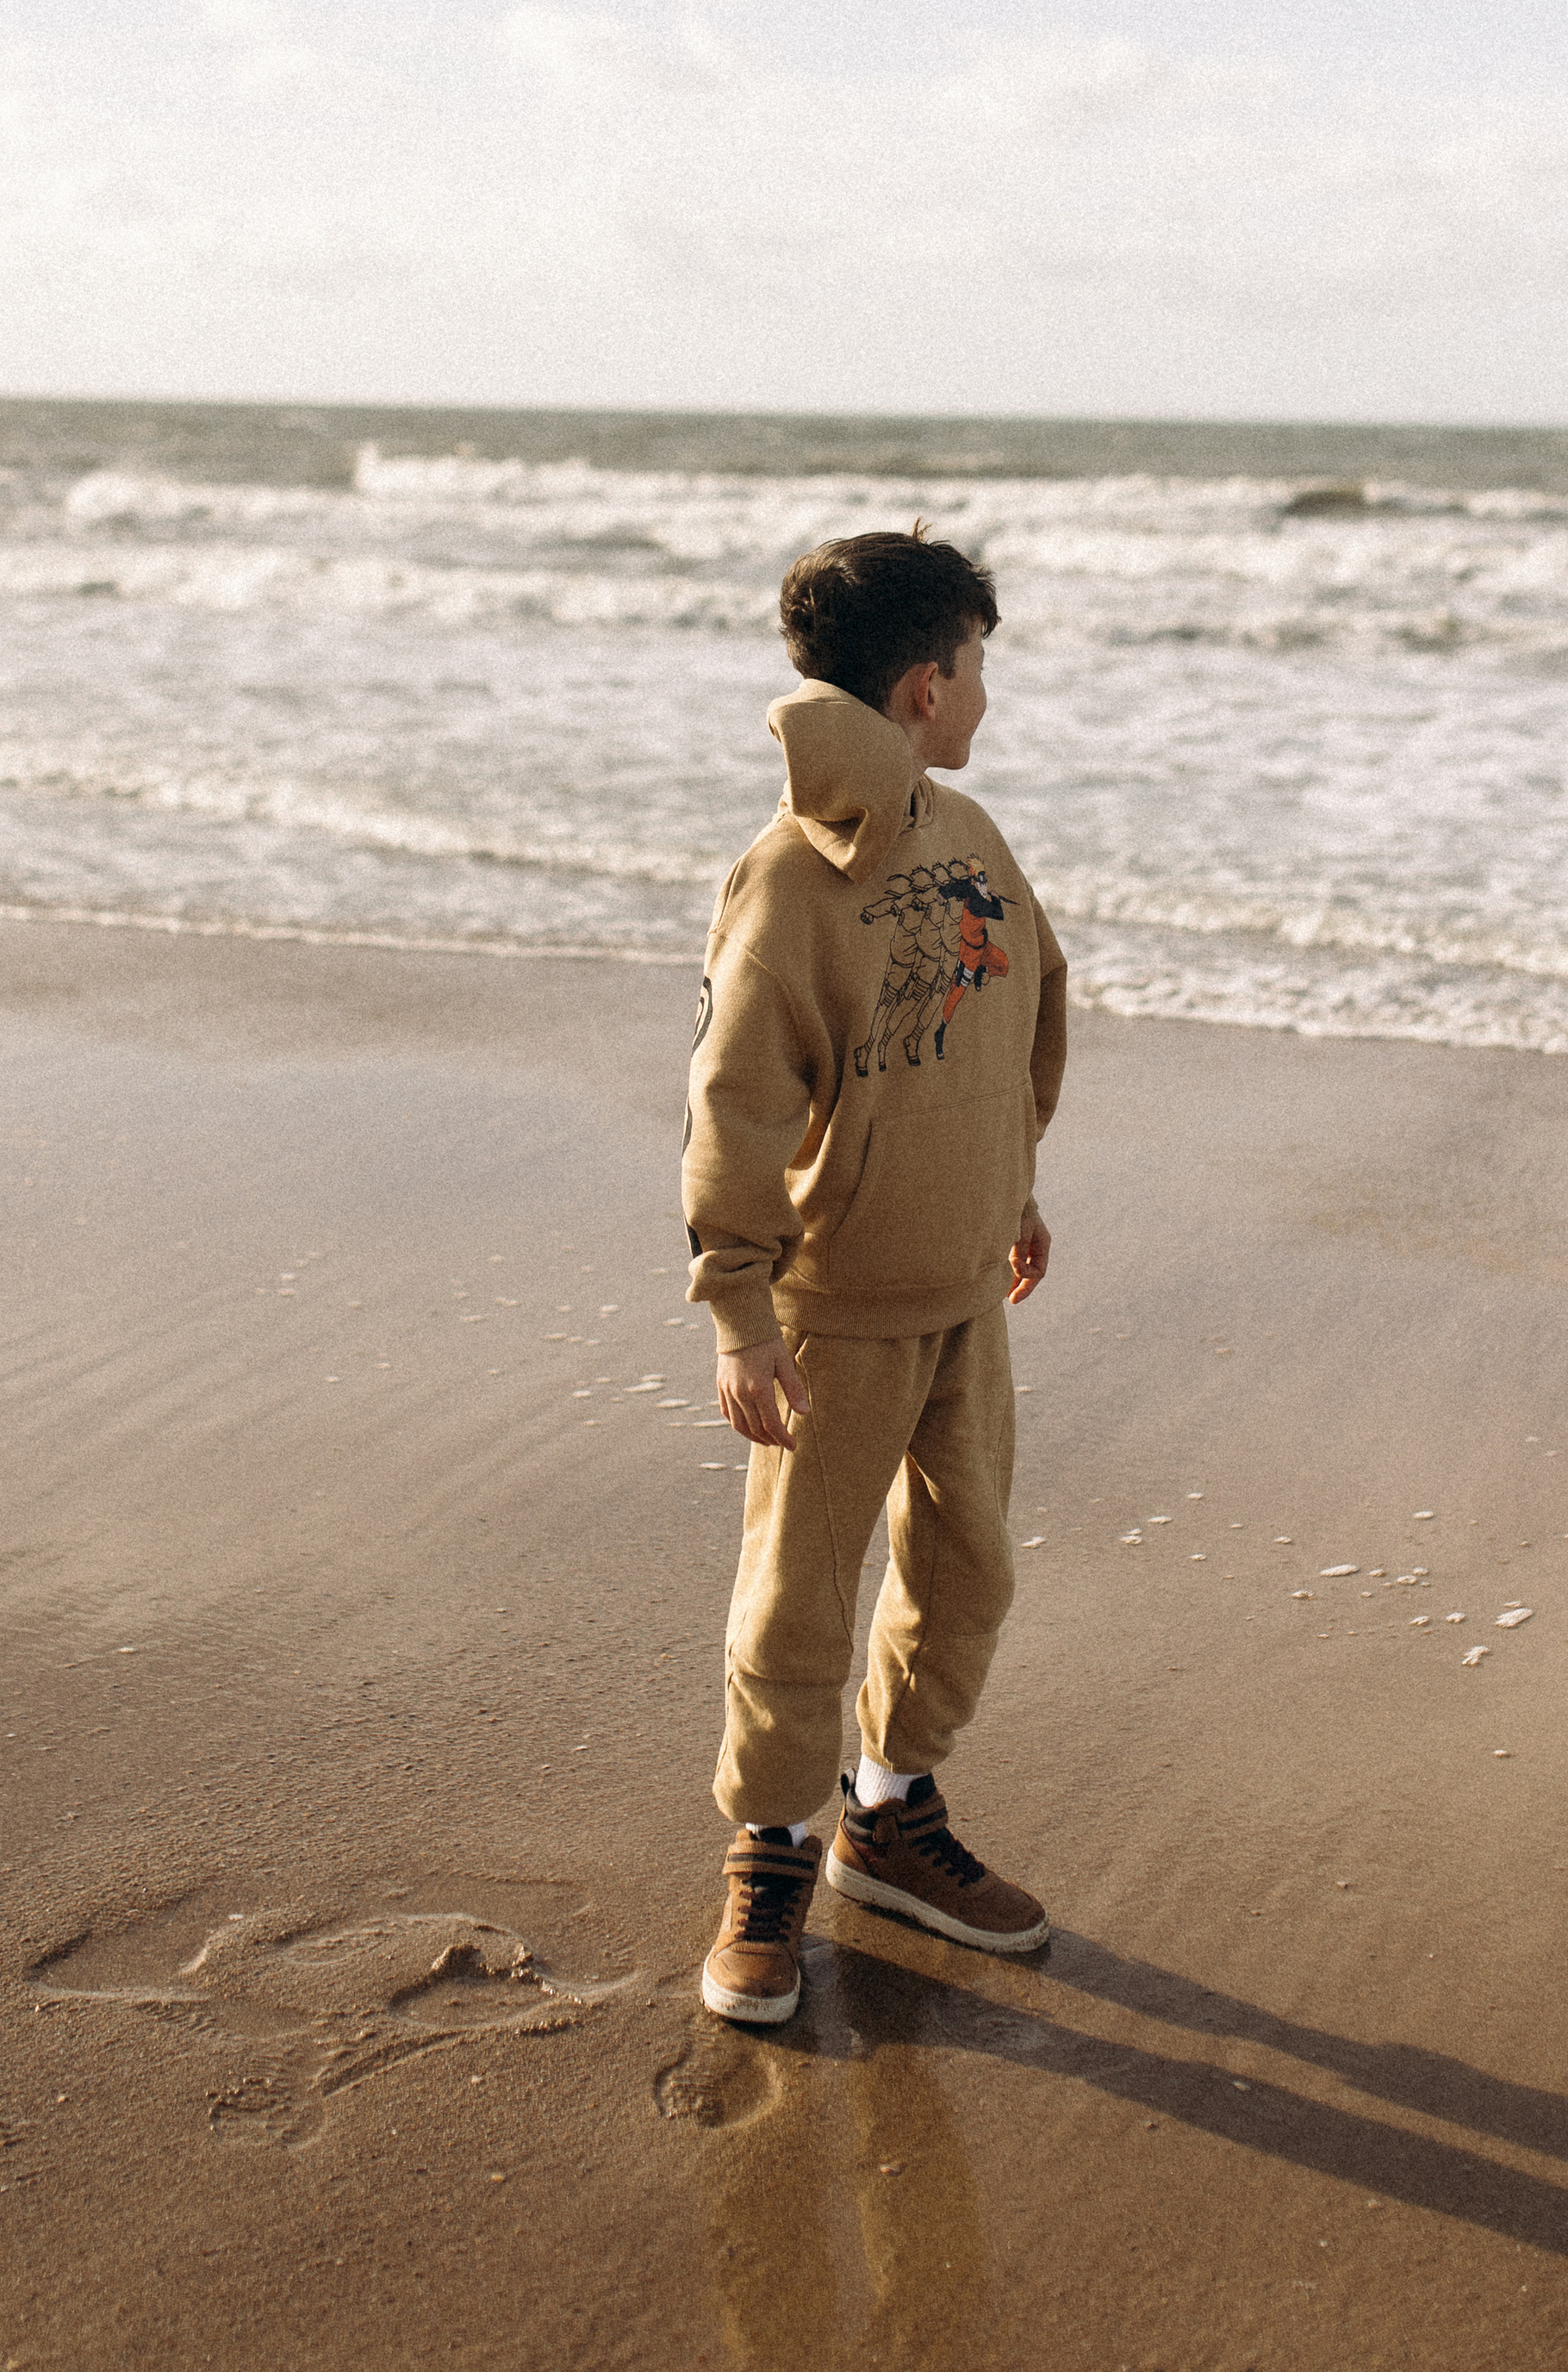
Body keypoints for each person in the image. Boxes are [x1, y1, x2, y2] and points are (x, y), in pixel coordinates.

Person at [681, 524, 1067, 2025]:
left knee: (966, 1567)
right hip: (830, 1319)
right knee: (799, 1599)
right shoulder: (784, 885)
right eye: (978, 668)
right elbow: (737, 1104)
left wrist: (1012, 1186)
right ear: (924, 684)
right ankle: (769, 1857)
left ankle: (890, 1815)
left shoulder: (972, 839)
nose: (985, 698)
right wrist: (740, 1310)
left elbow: (1031, 993)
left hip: (969, 1291)